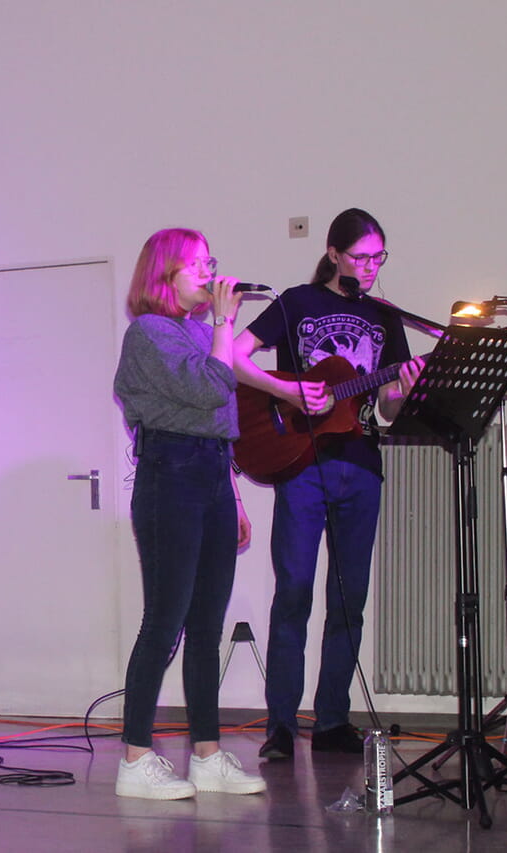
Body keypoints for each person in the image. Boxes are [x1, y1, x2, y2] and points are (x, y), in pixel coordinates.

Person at [231, 208, 423, 760]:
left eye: (378, 257)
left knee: (349, 599)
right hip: (302, 463)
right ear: (334, 254)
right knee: (292, 594)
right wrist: (287, 392)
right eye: (360, 256)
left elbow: (387, 407)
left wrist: (403, 389)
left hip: (361, 463)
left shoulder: (386, 319)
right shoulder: (297, 302)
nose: (369, 266)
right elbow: (234, 357)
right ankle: (282, 727)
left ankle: (333, 719)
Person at [112, 228, 265, 800]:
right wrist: (226, 326)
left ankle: (206, 754)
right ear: (165, 274)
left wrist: (235, 492)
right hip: (169, 478)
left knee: (206, 626)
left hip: (211, 475)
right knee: (164, 623)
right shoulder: (149, 333)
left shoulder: (202, 332)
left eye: (211, 263)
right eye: (197, 265)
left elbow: (222, 419)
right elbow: (207, 389)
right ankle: (135, 758)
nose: (209, 273)